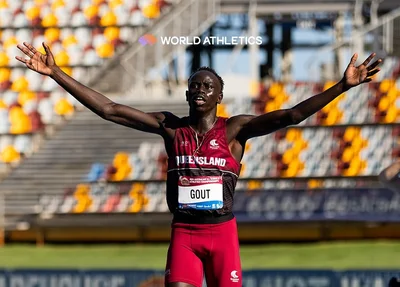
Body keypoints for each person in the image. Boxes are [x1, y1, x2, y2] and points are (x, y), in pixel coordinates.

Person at [16, 42, 382, 287]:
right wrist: (56, 74)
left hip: (222, 236)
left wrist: (341, 86)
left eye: (207, 86)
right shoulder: (171, 128)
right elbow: (110, 109)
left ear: (220, 96)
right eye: (194, 85)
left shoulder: (236, 130)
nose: (199, 90)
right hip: (185, 235)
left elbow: (291, 114)